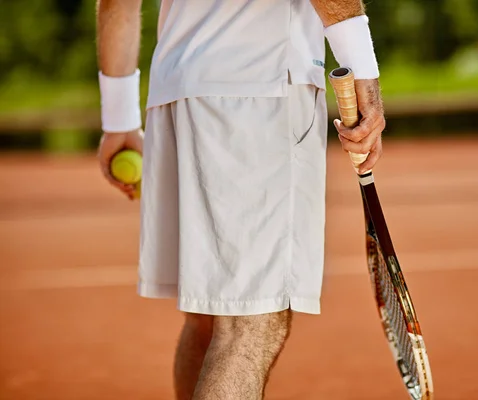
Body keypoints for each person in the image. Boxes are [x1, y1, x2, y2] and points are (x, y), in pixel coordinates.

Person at [95, 0, 385, 399]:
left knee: (209, 321)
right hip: (260, 90)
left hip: (174, 90)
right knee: (248, 327)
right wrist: (365, 82)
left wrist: (118, 119)